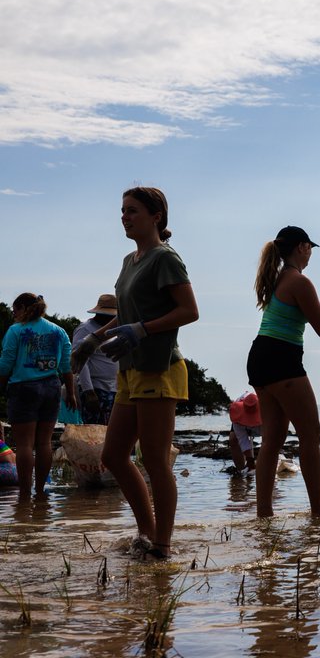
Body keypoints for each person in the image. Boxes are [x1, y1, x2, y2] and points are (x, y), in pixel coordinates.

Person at [69, 187, 198, 560]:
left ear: (156, 216)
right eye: (122, 211)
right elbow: (125, 314)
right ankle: (146, 531)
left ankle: (162, 545)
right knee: (113, 455)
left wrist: (142, 330)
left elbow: (189, 311)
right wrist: (94, 340)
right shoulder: (130, 260)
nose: (124, 217)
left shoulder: (165, 259)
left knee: (155, 460)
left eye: (133, 211)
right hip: (129, 371)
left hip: (159, 368)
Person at [248, 225, 320, 518]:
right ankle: (319, 511)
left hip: (261, 358)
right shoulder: (300, 281)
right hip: (281, 359)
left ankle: (264, 514)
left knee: (272, 441)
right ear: (302, 247)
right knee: (310, 436)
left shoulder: (280, 278)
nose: (311, 253)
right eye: (310, 247)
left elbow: (319, 316)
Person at [0, 292, 78, 499]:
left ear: (24, 309)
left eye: (15, 310)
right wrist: (70, 393)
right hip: (51, 387)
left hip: (23, 388)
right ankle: (41, 491)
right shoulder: (58, 331)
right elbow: (66, 367)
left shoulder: (16, 331)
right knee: (44, 443)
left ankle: (24, 494)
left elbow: (6, 363)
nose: (13, 314)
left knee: (25, 444)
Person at [72, 293, 119, 425]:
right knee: (94, 428)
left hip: (113, 388)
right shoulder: (85, 329)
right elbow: (81, 361)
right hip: (95, 388)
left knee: (110, 428)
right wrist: (89, 391)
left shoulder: (114, 330)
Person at [228, 391, 262, 473]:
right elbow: (242, 439)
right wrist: (250, 460)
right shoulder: (237, 412)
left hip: (262, 422)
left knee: (271, 446)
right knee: (233, 439)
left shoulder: (268, 411)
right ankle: (241, 470)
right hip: (241, 421)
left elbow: (268, 441)